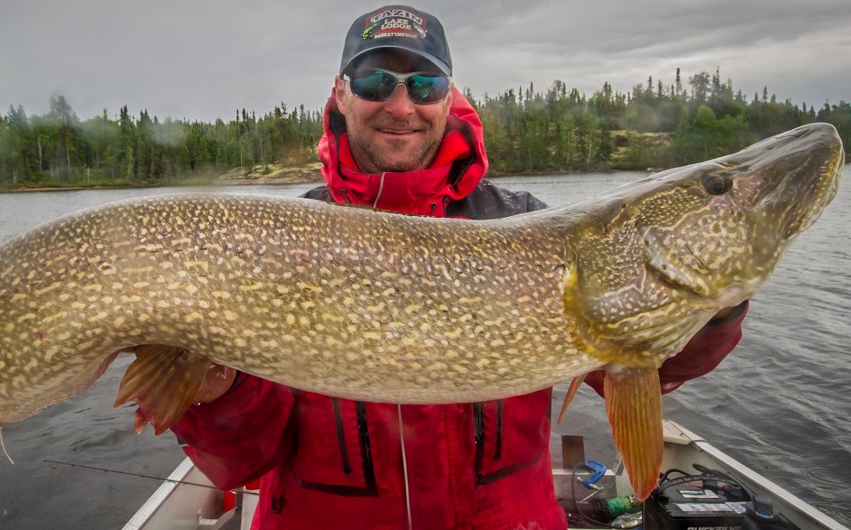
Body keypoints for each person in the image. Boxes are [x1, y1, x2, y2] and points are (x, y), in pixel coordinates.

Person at [171, 5, 748, 529]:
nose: (401, 106)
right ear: (341, 94)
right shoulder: (275, 245)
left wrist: (716, 305)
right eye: (376, 82)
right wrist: (212, 393)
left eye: (424, 83)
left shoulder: (525, 227)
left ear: (449, 98)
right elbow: (239, 461)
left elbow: (653, 363)